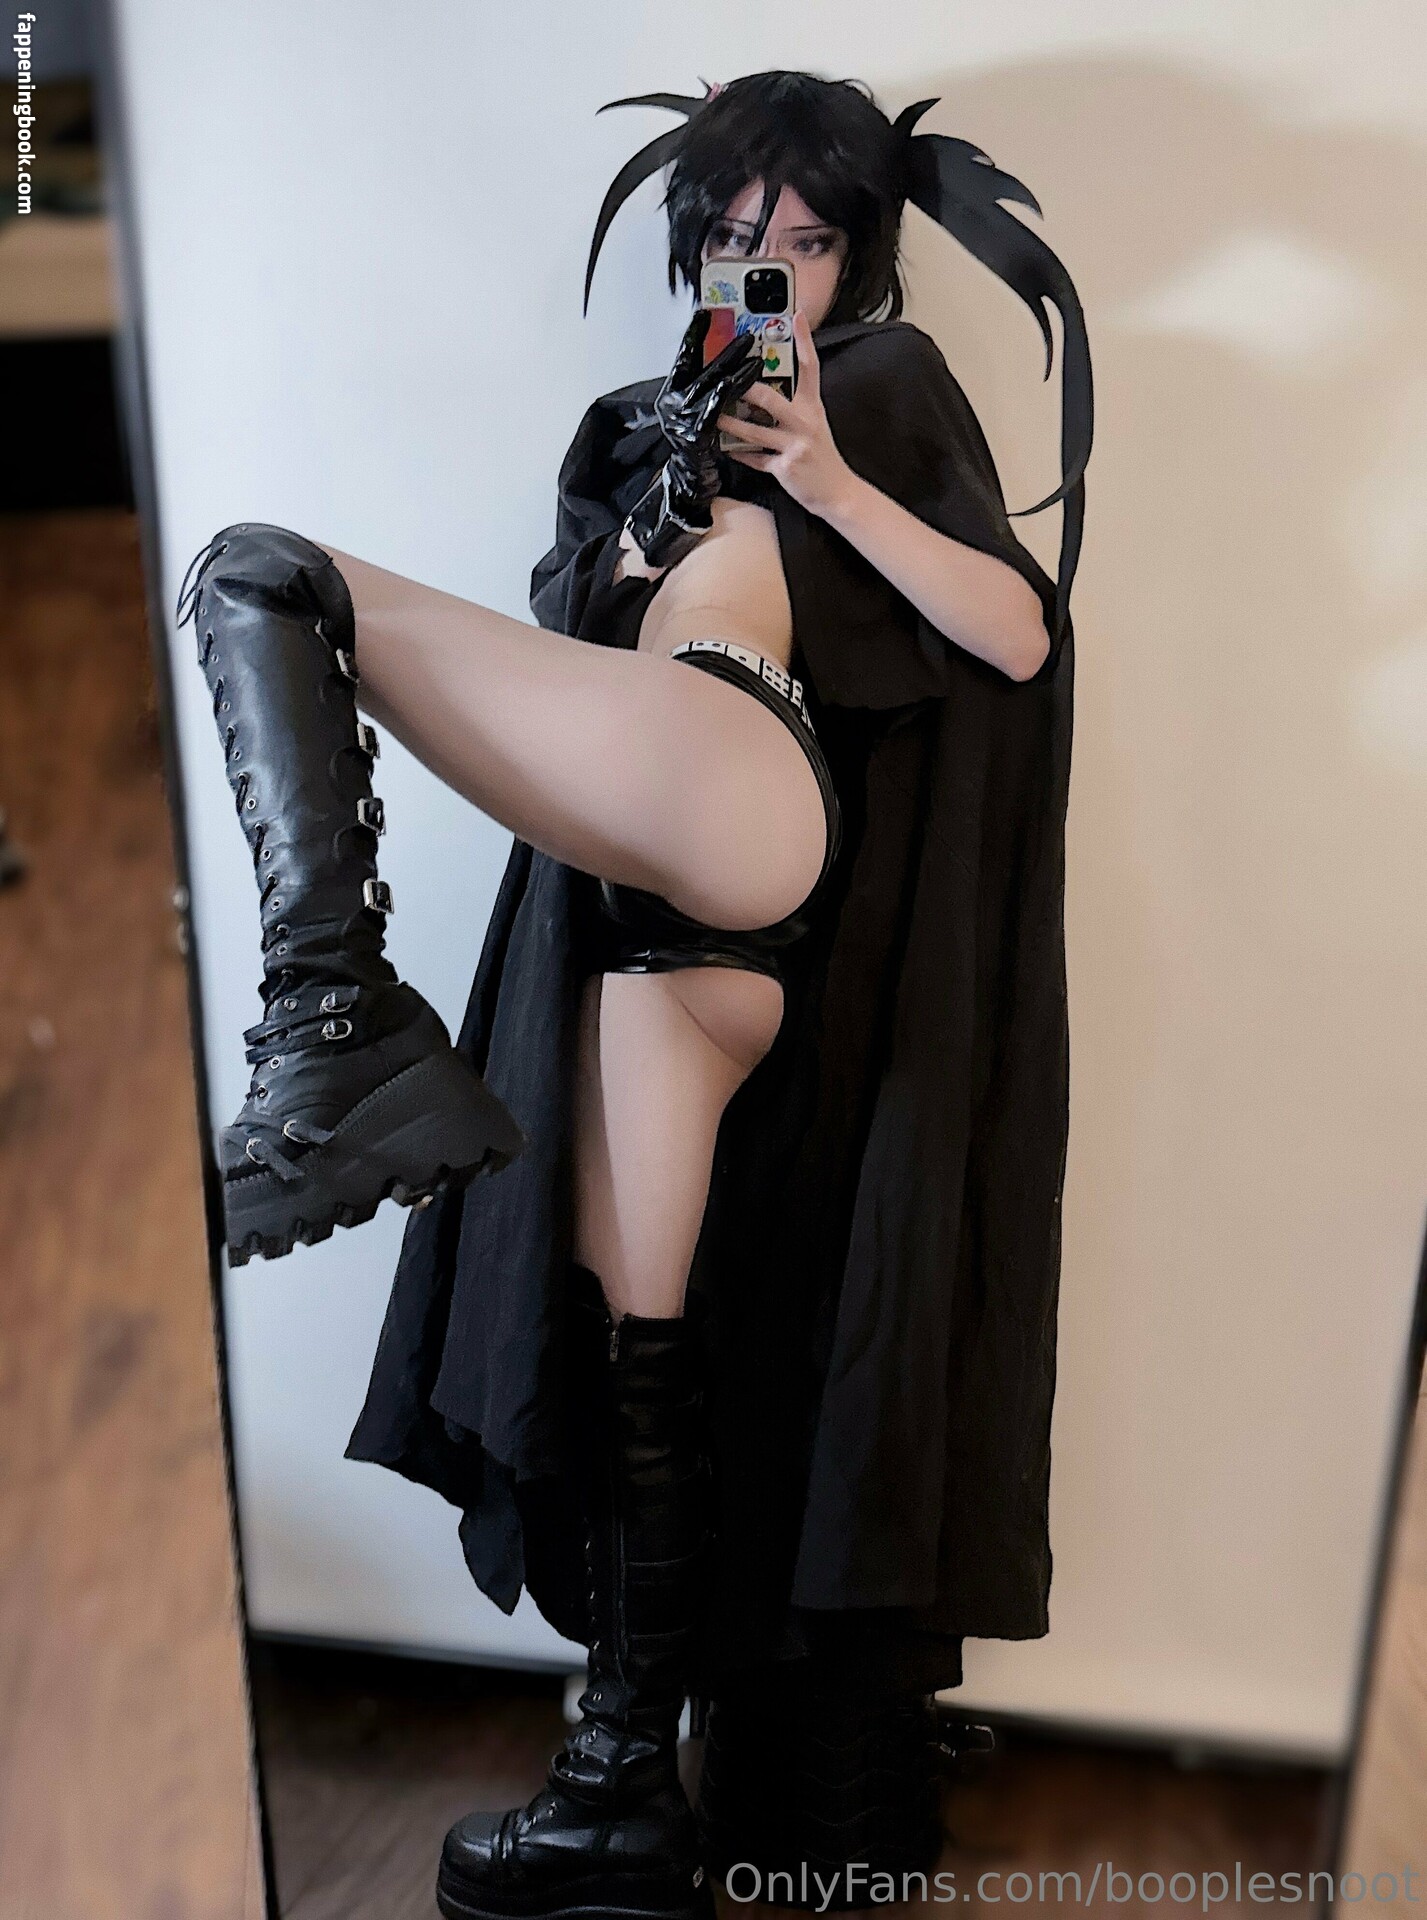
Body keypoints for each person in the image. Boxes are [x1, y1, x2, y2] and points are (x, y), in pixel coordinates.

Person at [178, 69, 1091, 1920]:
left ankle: (332, 1027)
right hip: (660, 951)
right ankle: (618, 1791)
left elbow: (1016, 628)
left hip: (742, 788)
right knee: (632, 1348)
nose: (773, 268)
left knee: (261, 574)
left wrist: (820, 480)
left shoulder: (884, 385)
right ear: (694, 248)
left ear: (858, 257)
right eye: (740, 236)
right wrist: (628, 551)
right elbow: (560, 691)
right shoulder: (633, 436)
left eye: (809, 241)